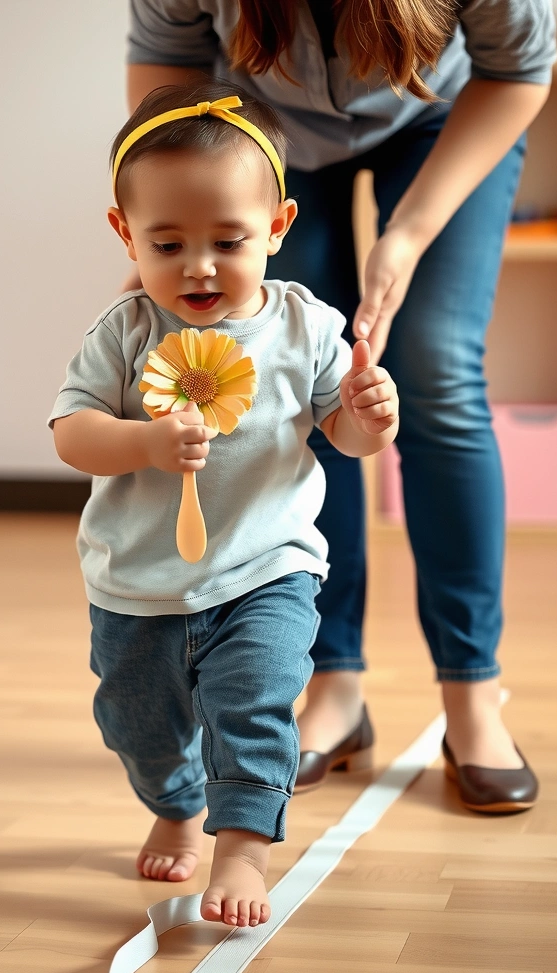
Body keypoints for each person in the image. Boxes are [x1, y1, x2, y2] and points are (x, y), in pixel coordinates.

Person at [125, 0, 553, 812]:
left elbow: (518, 67)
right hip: (260, 138)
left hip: (445, 118)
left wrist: (410, 234)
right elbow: (165, 65)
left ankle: (472, 695)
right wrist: (175, 243)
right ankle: (334, 685)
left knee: (436, 370)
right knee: (294, 385)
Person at [49, 81, 399, 927]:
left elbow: (342, 439)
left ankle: (242, 845)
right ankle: (172, 801)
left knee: (258, 697)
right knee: (138, 722)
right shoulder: (125, 331)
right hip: (139, 581)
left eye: (227, 239)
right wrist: (142, 441)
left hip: (266, 565)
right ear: (125, 232)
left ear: (278, 226)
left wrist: (367, 420)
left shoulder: (305, 326)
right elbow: (71, 431)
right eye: (166, 243)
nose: (197, 264)